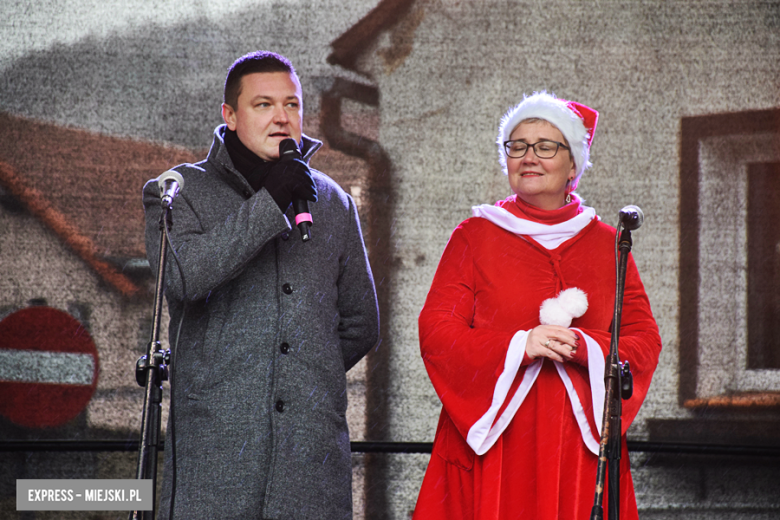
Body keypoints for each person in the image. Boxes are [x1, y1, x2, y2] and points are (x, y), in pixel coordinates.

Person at [142, 51, 379, 519]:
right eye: (263, 105)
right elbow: (184, 276)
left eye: (292, 105)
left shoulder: (332, 201)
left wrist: (303, 375)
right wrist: (272, 201)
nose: (281, 118)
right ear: (229, 116)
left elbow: (361, 323)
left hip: (310, 462)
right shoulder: (177, 191)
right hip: (215, 457)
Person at [412, 92, 662, 520]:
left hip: (577, 446)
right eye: (517, 145)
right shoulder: (475, 236)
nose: (529, 157)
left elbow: (643, 340)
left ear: (573, 166)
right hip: (496, 440)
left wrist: (586, 347)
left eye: (546, 146)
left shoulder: (609, 243)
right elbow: (437, 332)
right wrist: (519, 346)